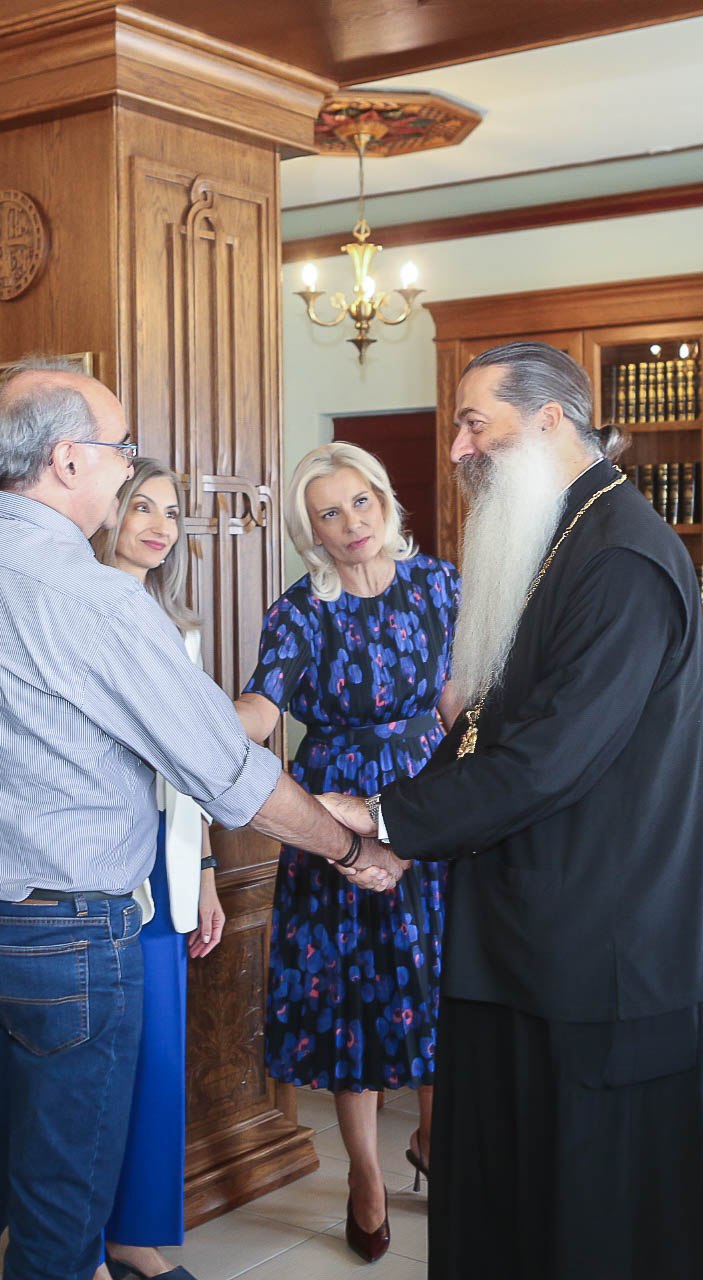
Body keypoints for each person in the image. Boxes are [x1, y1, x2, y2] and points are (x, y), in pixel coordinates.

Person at [0, 356, 403, 1280]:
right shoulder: (98, 599)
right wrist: (351, 847)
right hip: (67, 942)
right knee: (59, 1213)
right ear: (68, 459)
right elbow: (228, 772)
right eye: (122, 449)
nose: (128, 468)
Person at [322, 341, 703, 1278]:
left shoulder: (622, 557)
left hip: (605, 958)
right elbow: (487, 730)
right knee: (513, 1208)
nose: (459, 449)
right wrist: (401, 826)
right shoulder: (554, 537)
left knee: (592, 1227)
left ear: (550, 419)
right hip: (526, 938)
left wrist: (388, 819)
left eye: (476, 424)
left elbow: (550, 757)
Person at [233, 442, 460, 1263]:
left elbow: (458, 702)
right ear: (312, 532)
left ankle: (435, 1142)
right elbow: (263, 707)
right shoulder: (300, 609)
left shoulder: (440, 585)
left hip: (430, 808)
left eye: (360, 501)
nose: (351, 522)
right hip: (335, 825)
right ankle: (365, 1177)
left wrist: (481, 795)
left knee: (442, 986)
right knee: (351, 1004)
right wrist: (197, 724)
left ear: (384, 499)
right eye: (329, 512)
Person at [88, 459, 225, 1280]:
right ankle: (80, 1243)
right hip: (104, 866)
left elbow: (191, 767)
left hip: (169, 868)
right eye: (142, 506)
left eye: (171, 513)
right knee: (101, 1063)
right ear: (106, 512)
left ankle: (132, 1234)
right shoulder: (80, 606)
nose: (160, 526)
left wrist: (203, 871)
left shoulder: (178, 629)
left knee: (156, 1061)